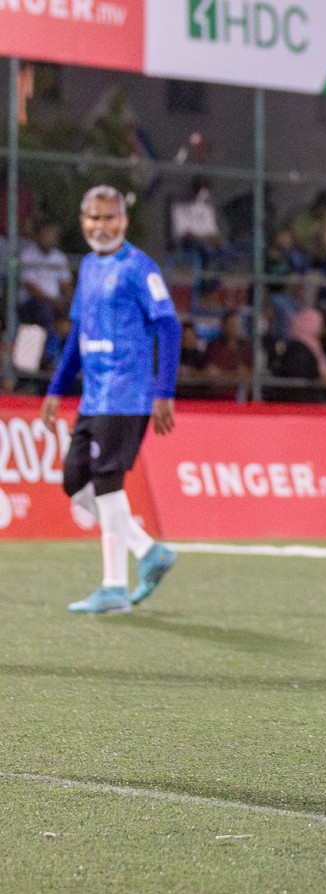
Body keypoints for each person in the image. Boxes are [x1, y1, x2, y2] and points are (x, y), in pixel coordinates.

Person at [40, 185, 180, 614]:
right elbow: (77, 338)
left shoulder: (140, 267)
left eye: (110, 217)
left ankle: (115, 587)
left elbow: (169, 326)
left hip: (128, 392)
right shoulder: (87, 266)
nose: (102, 226)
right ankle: (147, 551)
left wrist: (163, 391)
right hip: (94, 396)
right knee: (74, 483)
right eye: (94, 218)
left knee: (106, 482)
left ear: (124, 220)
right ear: (83, 221)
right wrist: (56, 390)